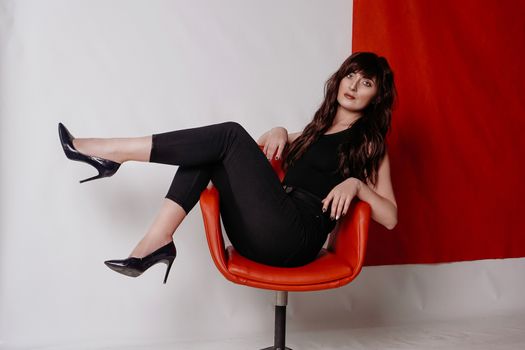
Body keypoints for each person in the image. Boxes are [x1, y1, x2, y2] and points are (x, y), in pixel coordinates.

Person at [58, 51, 398, 284]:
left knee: (228, 134)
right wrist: (278, 130)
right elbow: (260, 147)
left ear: (376, 96)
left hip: (297, 236)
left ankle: (113, 151)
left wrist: (356, 184)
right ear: (339, 79)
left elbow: (390, 217)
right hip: (263, 233)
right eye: (350, 75)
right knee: (207, 152)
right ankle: (157, 239)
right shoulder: (315, 131)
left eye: (366, 82)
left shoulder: (369, 143)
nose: (353, 86)